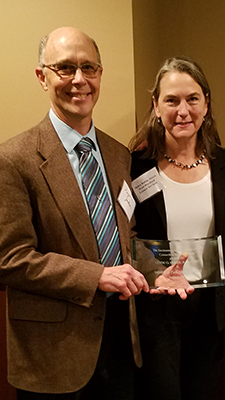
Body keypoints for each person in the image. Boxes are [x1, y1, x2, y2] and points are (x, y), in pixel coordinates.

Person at [0, 27, 191, 400]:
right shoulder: (13, 159)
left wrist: (154, 270)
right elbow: (10, 259)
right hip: (54, 352)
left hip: (121, 341)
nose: (78, 80)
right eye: (64, 68)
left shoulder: (119, 154)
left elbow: (124, 236)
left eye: (89, 68)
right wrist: (96, 276)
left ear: (100, 75)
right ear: (42, 76)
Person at [129, 56, 225, 400]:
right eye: (171, 100)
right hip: (157, 308)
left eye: (192, 99)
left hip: (210, 309)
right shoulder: (134, 166)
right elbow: (125, 235)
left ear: (206, 103)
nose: (183, 111)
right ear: (155, 105)